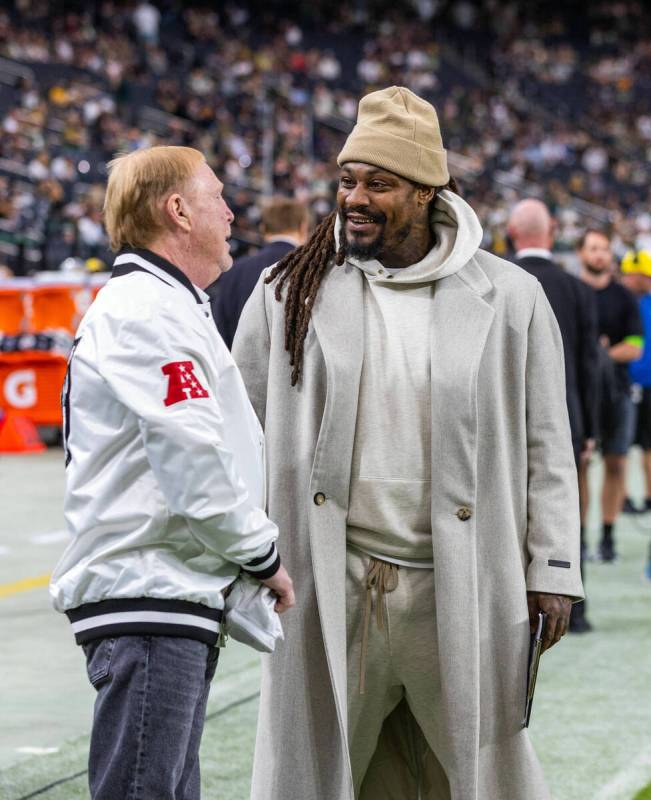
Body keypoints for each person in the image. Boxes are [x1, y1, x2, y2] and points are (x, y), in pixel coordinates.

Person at [233, 86, 583, 800]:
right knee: (312, 778)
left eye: (378, 183)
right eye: (346, 180)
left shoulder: (510, 296)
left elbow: (549, 443)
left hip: (462, 582)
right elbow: (237, 433)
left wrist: (552, 567)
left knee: (485, 778)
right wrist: (245, 553)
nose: (355, 198)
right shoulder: (285, 290)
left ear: (426, 192)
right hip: (331, 582)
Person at [49, 145, 294, 800]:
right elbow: (191, 454)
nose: (232, 212)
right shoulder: (147, 311)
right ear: (178, 210)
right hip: (149, 592)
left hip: (166, 592)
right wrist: (261, 553)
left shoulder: (164, 303)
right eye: (217, 196)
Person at [508, 198, 599, 633]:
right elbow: (588, 365)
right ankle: (572, 605)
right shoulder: (577, 289)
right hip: (567, 417)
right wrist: (590, 429)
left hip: (502, 421)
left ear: (511, 232)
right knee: (565, 505)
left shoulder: (495, 281)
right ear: (552, 233)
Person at [578, 229, 643, 562]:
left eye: (604, 249)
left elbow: (635, 347)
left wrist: (600, 354)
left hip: (617, 393)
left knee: (617, 464)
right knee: (581, 466)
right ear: (581, 254)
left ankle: (607, 537)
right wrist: (598, 351)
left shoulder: (623, 297)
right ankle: (580, 541)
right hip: (578, 395)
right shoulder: (571, 292)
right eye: (594, 248)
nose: (600, 255)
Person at [207, 196, 309, 349]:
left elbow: (220, 331)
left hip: (241, 368)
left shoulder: (235, 270)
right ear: (303, 227)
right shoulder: (314, 267)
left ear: (263, 229)